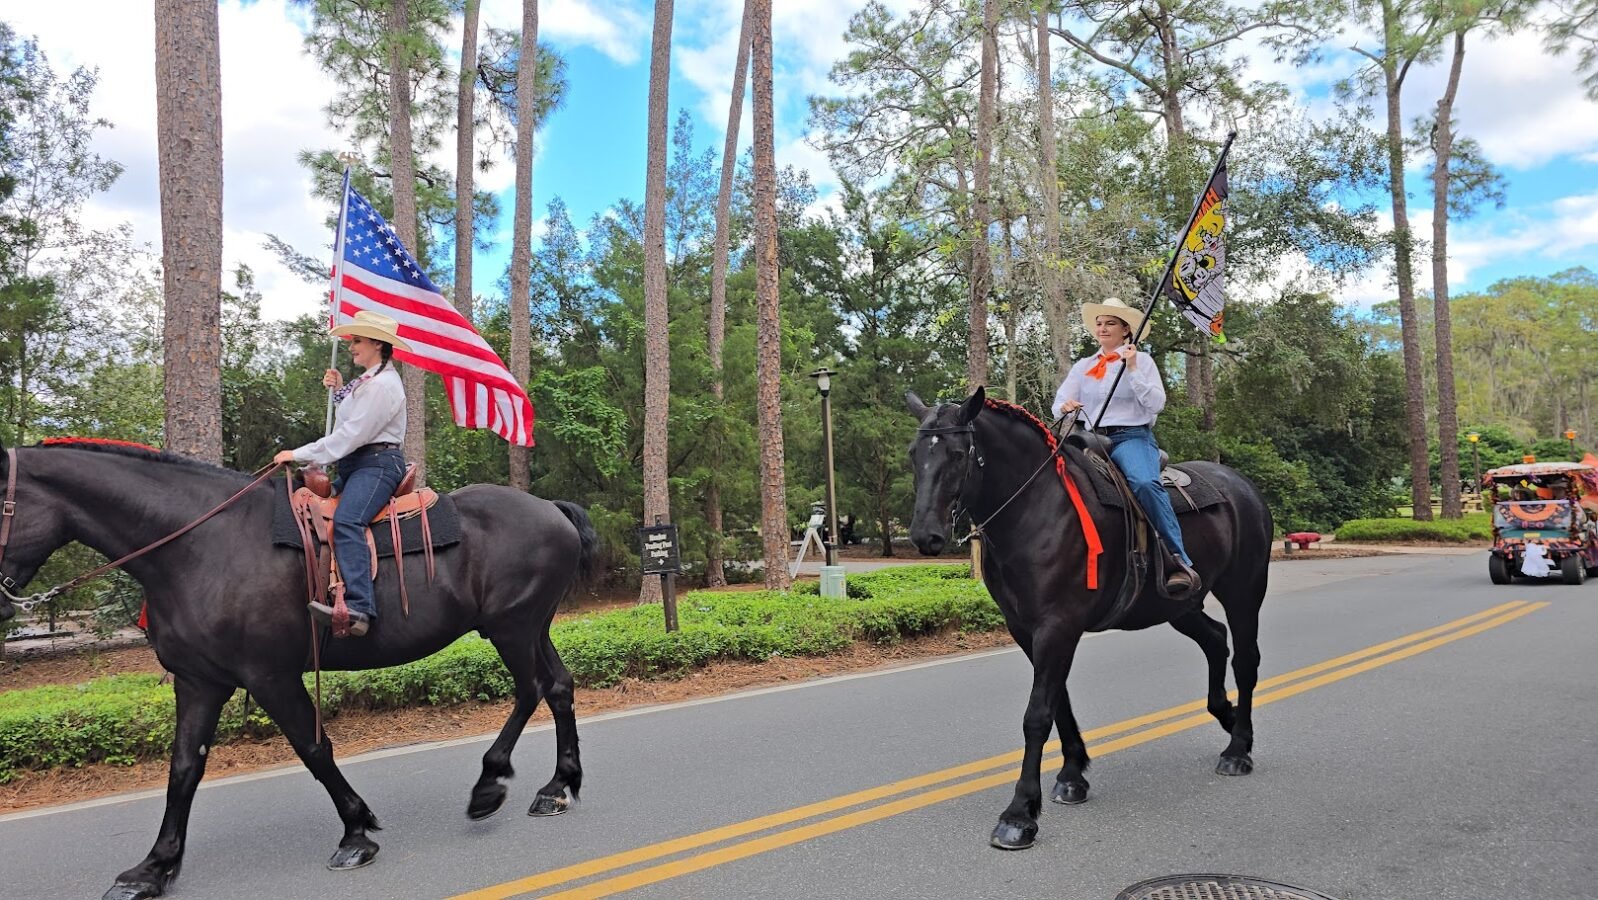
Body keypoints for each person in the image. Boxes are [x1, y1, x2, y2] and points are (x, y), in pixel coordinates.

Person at [274, 311, 411, 638]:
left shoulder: (383, 386)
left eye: (358, 340)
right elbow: (349, 422)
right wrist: (338, 390)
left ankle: (360, 608)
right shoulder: (367, 382)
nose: (351, 347)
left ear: (378, 344)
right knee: (309, 512)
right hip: (356, 464)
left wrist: (298, 453)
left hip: (377, 465)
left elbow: (349, 436)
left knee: (349, 520)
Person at [1052, 297, 1200, 598]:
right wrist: (1066, 406)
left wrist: (1131, 369)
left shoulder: (1142, 362)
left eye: (1110, 323)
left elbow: (1156, 404)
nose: (1102, 328)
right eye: (1100, 323)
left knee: (1145, 483)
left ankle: (1178, 558)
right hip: (1090, 440)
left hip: (1131, 437)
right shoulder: (1084, 366)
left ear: (1125, 330)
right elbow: (1059, 404)